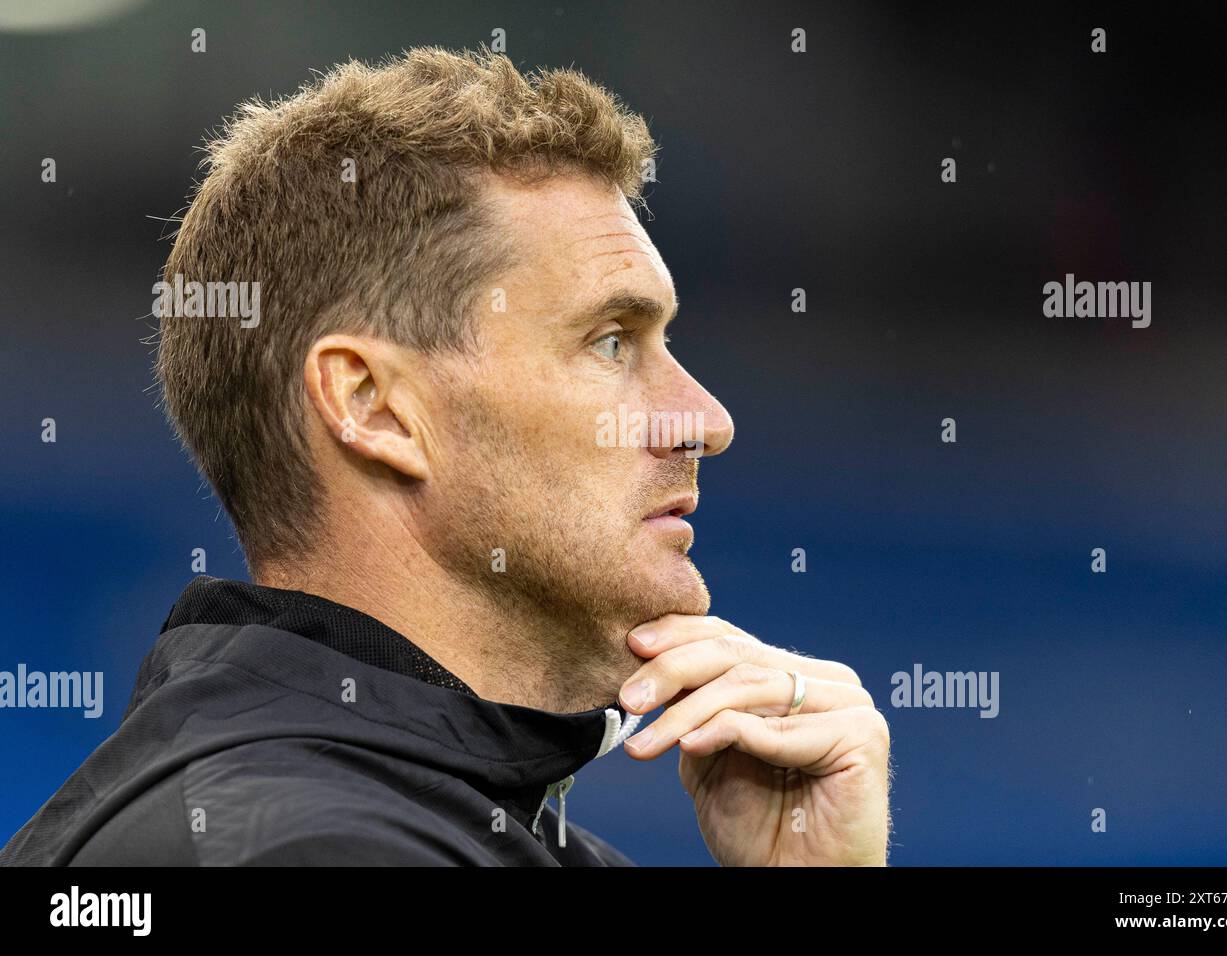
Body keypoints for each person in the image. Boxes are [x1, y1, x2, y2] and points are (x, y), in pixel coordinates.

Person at [1, 46, 890, 866]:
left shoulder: (404, 824)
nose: (707, 419)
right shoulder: (306, 849)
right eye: (612, 342)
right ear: (374, 407)